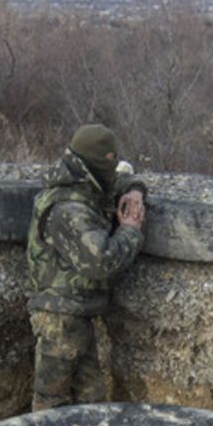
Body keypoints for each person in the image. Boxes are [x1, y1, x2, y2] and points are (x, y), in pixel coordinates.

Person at [26, 124, 147, 411]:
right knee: (51, 406)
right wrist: (130, 231)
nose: (112, 167)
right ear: (94, 161)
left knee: (91, 403)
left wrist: (135, 191)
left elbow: (117, 179)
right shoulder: (69, 209)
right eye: (108, 160)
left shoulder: (82, 180)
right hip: (59, 318)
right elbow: (101, 262)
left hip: (78, 313)